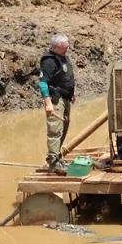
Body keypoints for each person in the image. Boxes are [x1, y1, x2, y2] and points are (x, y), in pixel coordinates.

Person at [38, 33, 76, 175]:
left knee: (64, 127)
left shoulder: (63, 57)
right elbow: (42, 83)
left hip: (65, 98)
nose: (67, 49)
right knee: (55, 130)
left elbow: (65, 77)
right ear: (55, 47)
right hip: (55, 99)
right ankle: (53, 162)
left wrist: (72, 92)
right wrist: (48, 103)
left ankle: (58, 158)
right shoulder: (49, 61)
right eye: (65, 47)